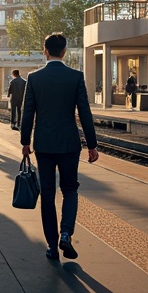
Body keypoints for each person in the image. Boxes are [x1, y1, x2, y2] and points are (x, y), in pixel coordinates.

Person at [20, 32, 98, 261]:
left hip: (43, 143)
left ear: (45, 50)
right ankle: (66, 233)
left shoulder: (34, 78)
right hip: (69, 143)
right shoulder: (75, 77)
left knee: (47, 193)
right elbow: (85, 112)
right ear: (64, 51)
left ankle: (52, 246)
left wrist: (25, 142)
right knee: (70, 189)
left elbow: (27, 114)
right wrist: (92, 144)